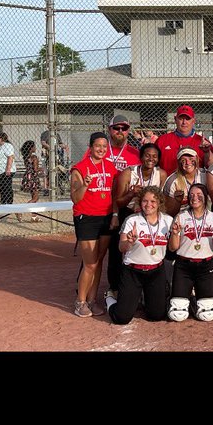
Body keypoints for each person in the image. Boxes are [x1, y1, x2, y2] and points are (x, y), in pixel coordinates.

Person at [107, 188, 173, 325]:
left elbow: (173, 248)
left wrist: (177, 234)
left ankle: (144, 298)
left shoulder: (168, 221)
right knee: (122, 318)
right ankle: (109, 298)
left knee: (157, 315)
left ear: (159, 202)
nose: (149, 205)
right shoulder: (132, 220)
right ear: (140, 202)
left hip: (156, 271)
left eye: (153, 201)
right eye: (145, 201)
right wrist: (129, 242)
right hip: (133, 271)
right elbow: (121, 247)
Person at [70, 132, 117, 318]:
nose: (101, 149)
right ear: (90, 147)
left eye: (105, 147)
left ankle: (91, 300)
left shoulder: (111, 167)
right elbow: (75, 198)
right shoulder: (79, 168)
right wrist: (85, 185)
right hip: (87, 218)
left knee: (98, 262)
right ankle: (80, 301)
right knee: (89, 264)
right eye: (98, 146)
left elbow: (114, 194)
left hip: (105, 217)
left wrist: (114, 215)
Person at [167, 182, 213, 322]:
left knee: (207, 315)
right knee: (178, 315)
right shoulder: (181, 216)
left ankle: (194, 301)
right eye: (191, 195)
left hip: (206, 266)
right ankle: (185, 299)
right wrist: (175, 233)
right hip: (184, 266)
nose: (194, 198)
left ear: (206, 197)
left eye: (199, 195)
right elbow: (173, 248)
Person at [156, 105, 213, 177]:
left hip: (194, 185)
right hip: (168, 184)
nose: (184, 122)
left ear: (193, 121)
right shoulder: (162, 140)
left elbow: (212, 167)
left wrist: (207, 152)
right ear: (175, 119)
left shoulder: (202, 142)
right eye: (181, 118)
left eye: (187, 119)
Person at [163, 147, 208, 217]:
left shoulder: (205, 175)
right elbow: (169, 214)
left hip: (205, 216)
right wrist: (177, 201)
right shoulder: (172, 181)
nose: (188, 163)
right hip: (182, 218)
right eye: (183, 160)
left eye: (191, 159)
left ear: (197, 159)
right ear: (178, 163)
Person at [0, 132, 17, 206]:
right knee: (2, 187)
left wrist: (8, 169)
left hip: (6, 171)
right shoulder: (1, 147)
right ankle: (3, 202)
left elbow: (10, 157)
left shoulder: (7, 146)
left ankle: (9, 203)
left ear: (1, 138)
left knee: (7, 187)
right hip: (0, 172)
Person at [20, 140, 42, 219]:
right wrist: (42, 169)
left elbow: (29, 168)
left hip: (28, 177)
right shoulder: (34, 157)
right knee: (36, 198)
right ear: (31, 148)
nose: (35, 148)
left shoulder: (26, 157)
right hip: (33, 178)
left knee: (33, 196)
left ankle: (34, 216)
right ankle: (20, 210)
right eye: (34, 146)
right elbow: (35, 169)